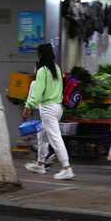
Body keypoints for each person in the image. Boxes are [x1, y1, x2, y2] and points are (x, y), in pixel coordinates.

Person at [23, 43, 74, 180]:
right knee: (42, 135)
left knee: (55, 138)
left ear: (40, 55)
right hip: (57, 107)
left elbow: (37, 92)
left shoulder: (42, 71)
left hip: (48, 109)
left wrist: (28, 106)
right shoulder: (57, 68)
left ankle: (66, 168)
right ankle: (40, 164)